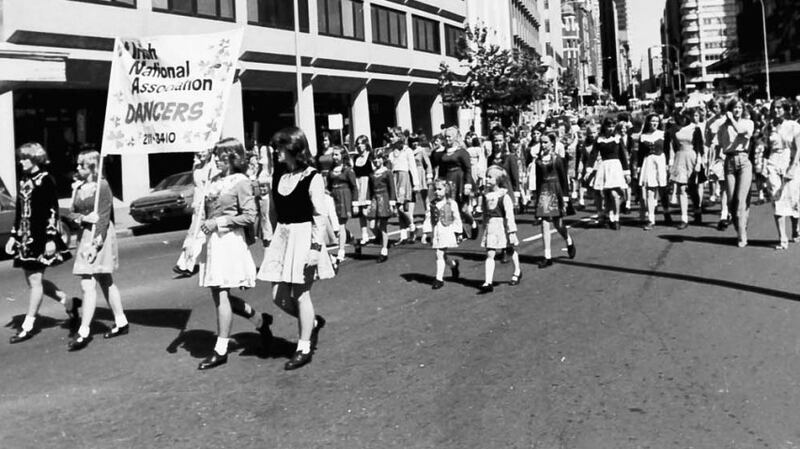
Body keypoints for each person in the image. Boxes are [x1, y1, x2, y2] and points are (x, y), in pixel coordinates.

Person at [257, 127, 333, 371]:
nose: (277, 152)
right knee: (278, 297)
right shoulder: (279, 174)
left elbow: (320, 216)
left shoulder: (313, 177)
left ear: (292, 149)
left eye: (280, 147)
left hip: (304, 236)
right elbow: (272, 210)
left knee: (301, 295)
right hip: (284, 236)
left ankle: (303, 347)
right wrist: (269, 238)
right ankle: (312, 322)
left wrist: (315, 248)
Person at [191, 138, 270, 370]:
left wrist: (220, 221)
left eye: (221, 156)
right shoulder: (215, 181)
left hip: (228, 241)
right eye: (216, 155)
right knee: (219, 294)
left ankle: (221, 348)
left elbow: (249, 215)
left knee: (222, 294)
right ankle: (260, 320)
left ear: (233, 158)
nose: (216, 159)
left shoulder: (241, 182)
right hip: (213, 242)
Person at [5, 142, 73, 344]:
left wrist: (51, 238)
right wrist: (13, 236)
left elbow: (52, 210)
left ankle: (27, 326)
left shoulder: (46, 180)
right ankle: (68, 301)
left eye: (25, 158)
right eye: (20, 158)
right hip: (25, 238)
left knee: (34, 282)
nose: (21, 162)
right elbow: (19, 211)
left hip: (41, 237)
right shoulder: (23, 180)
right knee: (34, 280)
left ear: (35, 159)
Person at [66, 150, 129, 351]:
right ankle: (121, 321)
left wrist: (96, 244)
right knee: (104, 280)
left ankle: (84, 331)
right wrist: (83, 218)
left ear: (92, 167)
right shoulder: (78, 186)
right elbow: (71, 213)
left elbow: (103, 217)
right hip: (84, 234)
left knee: (88, 282)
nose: (77, 169)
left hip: (98, 236)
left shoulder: (103, 186)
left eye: (81, 166)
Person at [174, 148, 220, 277]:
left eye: (204, 150)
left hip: (208, 205)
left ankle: (185, 264)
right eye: (198, 151)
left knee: (198, 234)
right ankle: (186, 264)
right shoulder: (196, 166)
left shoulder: (213, 167)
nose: (200, 153)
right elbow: (196, 186)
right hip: (197, 205)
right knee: (195, 234)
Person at [534, 134, 576, 268]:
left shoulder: (557, 159)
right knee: (545, 222)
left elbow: (563, 178)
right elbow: (538, 179)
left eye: (546, 142)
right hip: (544, 192)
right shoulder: (538, 161)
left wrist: (565, 196)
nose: (543, 145)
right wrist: (536, 198)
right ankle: (547, 256)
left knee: (558, 224)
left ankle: (568, 240)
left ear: (552, 143)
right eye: (541, 142)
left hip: (556, 190)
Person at [717, 99, 755, 247]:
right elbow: (720, 142)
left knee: (740, 198)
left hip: (744, 160)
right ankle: (740, 224)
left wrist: (731, 120)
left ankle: (742, 235)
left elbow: (741, 132)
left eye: (739, 107)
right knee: (731, 201)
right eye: (734, 108)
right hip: (729, 161)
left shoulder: (747, 123)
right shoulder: (723, 126)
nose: (737, 110)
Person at [763, 99, 800, 249]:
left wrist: (792, 167)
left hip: (789, 161)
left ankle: (796, 230)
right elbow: (765, 148)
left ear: (785, 109)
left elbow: (799, 149)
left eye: (779, 108)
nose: (776, 110)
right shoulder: (769, 126)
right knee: (777, 199)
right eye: (774, 108)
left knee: (793, 199)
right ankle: (782, 239)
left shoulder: (793, 126)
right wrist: (764, 167)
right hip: (773, 162)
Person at [479, 166, 520, 293]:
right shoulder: (486, 195)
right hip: (491, 227)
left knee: (509, 249)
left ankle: (517, 270)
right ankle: (488, 282)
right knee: (490, 252)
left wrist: (511, 231)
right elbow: (485, 212)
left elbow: (509, 215)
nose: (487, 179)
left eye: (490, 177)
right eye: (487, 176)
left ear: (498, 180)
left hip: (502, 226)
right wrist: (484, 225)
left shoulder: (504, 196)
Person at [586, 118, 631, 230]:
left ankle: (616, 218)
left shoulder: (617, 138)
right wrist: (589, 170)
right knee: (606, 194)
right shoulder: (599, 139)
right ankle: (609, 216)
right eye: (608, 126)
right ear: (604, 127)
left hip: (615, 167)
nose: (610, 128)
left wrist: (627, 173)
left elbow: (623, 156)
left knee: (615, 194)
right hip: (604, 167)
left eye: (612, 126)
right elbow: (593, 155)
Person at [422, 179, 463, 290]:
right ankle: (453, 265)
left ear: (446, 190)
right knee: (442, 254)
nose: (437, 192)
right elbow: (428, 218)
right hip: (437, 231)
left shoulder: (451, 203)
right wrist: (426, 233)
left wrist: (459, 232)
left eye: (440, 189)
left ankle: (439, 279)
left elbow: (457, 218)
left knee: (439, 253)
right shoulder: (432, 204)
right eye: (435, 189)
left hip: (447, 230)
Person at [669, 108, 705, 229]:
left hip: (692, 157)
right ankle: (684, 218)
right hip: (680, 157)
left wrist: (699, 162)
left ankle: (697, 209)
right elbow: (673, 146)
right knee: (682, 188)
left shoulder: (695, 128)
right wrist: (670, 162)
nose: (681, 119)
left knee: (693, 188)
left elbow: (699, 146)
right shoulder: (674, 129)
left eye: (683, 116)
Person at [387, 128, 421, 244]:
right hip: (394, 178)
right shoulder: (391, 153)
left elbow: (412, 167)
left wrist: (416, 184)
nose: (390, 139)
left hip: (404, 178)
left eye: (393, 136)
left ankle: (412, 226)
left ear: (399, 137)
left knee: (401, 207)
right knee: (398, 206)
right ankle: (403, 235)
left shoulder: (407, 150)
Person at [637, 114, 670, 230]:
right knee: (650, 190)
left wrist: (668, 164)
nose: (654, 123)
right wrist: (639, 166)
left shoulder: (663, 134)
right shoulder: (643, 136)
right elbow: (640, 153)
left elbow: (667, 149)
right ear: (648, 123)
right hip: (648, 162)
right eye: (652, 121)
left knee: (662, 189)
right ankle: (651, 219)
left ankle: (666, 211)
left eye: (656, 121)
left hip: (660, 161)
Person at [362, 149, 396, 262]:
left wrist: (392, 202)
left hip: (384, 199)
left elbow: (392, 188)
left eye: (378, 158)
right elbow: (369, 190)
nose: (376, 160)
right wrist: (367, 203)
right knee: (372, 225)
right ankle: (381, 239)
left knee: (383, 226)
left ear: (383, 159)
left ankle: (384, 250)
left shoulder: (387, 172)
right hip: (374, 200)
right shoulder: (372, 174)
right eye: (374, 158)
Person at [327, 146, 358, 262]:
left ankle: (341, 252)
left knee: (340, 225)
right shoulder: (331, 171)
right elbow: (329, 186)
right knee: (340, 227)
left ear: (342, 156)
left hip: (345, 198)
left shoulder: (348, 170)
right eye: (333, 155)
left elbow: (354, 187)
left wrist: (354, 203)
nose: (334, 157)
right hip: (334, 199)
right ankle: (355, 242)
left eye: (337, 154)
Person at [352, 135, 374, 247]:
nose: (360, 146)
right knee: (361, 213)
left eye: (362, 143)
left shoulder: (370, 156)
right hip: (358, 185)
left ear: (366, 144)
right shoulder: (355, 158)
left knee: (367, 212)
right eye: (358, 144)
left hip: (368, 185)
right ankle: (364, 235)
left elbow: (373, 172)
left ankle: (376, 232)